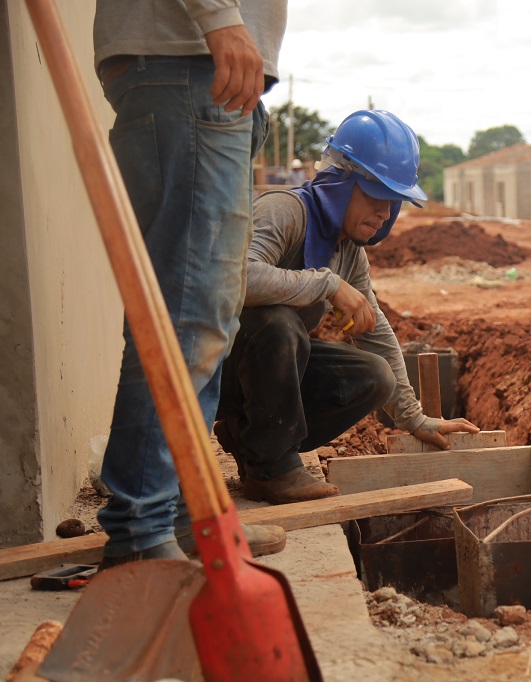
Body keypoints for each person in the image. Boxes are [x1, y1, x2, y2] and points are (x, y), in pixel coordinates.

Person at [93, 0, 289, 567]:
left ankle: (182, 515)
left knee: (207, 318)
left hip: (199, 70)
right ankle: (141, 530)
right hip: (187, 63)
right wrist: (219, 17)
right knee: (188, 314)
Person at [214, 110, 480, 504]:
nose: (385, 214)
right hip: (214, 371)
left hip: (261, 379)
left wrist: (413, 417)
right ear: (341, 182)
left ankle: (250, 442)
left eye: (394, 203)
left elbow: (375, 332)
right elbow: (236, 280)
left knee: (374, 375)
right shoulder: (285, 212)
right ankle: (273, 470)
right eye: (376, 197)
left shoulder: (349, 252)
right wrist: (326, 283)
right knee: (279, 323)